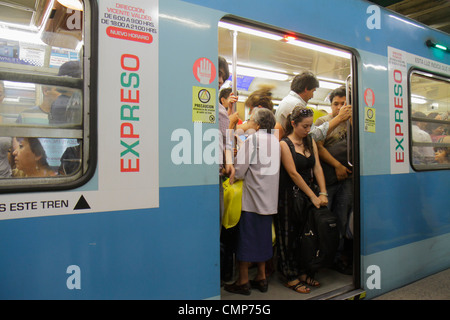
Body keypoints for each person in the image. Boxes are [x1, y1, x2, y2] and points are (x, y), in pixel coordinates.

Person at [224, 108, 280, 295]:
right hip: (269, 200)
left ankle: (243, 281)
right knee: (263, 239)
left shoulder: (254, 139)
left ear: (256, 124)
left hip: (252, 200)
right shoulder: (275, 140)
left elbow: (239, 170)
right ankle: (261, 278)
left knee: (246, 240)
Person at [275, 105, 328, 294]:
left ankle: (303, 270)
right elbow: (293, 173)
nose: (308, 130)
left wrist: (323, 192)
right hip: (289, 195)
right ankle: (289, 275)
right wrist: (313, 196)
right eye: (304, 126)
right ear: (293, 124)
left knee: (306, 236)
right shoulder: (284, 144)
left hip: (308, 195)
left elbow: (317, 168)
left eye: (310, 126)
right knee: (288, 236)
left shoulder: (310, 141)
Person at [315, 86, 352, 274]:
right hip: (328, 178)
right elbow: (318, 148)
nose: (339, 107)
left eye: (343, 103)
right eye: (336, 104)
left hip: (348, 179)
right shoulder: (324, 121)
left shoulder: (353, 122)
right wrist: (337, 166)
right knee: (324, 218)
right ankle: (321, 256)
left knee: (342, 219)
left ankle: (336, 257)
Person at [274, 71, 351, 141]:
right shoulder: (296, 105)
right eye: (313, 91)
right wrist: (339, 118)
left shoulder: (288, 100)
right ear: (306, 89)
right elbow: (312, 135)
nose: (312, 96)